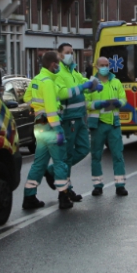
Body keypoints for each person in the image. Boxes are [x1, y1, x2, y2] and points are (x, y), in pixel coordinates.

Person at [21, 51, 80, 210]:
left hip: (39, 124)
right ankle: (64, 197)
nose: (59, 66)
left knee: (39, 162)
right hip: (51, 124)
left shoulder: (36, 79)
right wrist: (58, 130)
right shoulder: (48, 82)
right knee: (60, 161)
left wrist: (37, 107)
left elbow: (27, 98)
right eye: (58, 64)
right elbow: (52, 109)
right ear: (53, 64)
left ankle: (29, 196)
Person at [46, 43, 101, 202]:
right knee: (67, 155)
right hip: (69, 119)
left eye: (72, 52)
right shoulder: (59, 73)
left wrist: (94, 86)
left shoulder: (73, 72)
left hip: (80, 117)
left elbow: (83, 83)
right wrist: (83, 86)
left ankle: (52, 171)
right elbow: (63, 93)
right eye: (68, 52)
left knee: (84, 149)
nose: (71, 55)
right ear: (60, 55)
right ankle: (66, 189)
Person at [86, 56, 129, 196]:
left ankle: (120, 185)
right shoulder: (91, 84)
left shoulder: (116, 82)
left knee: (118, 155)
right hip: (98, 124)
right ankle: (97, 185)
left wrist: (119, 103)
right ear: (96, 67)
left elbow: (123, 98)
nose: (104, 67)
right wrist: (97, 105)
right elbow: (85, 103)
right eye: (102, 65)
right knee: (96, 155)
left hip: (113, 123)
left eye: (107, 64)